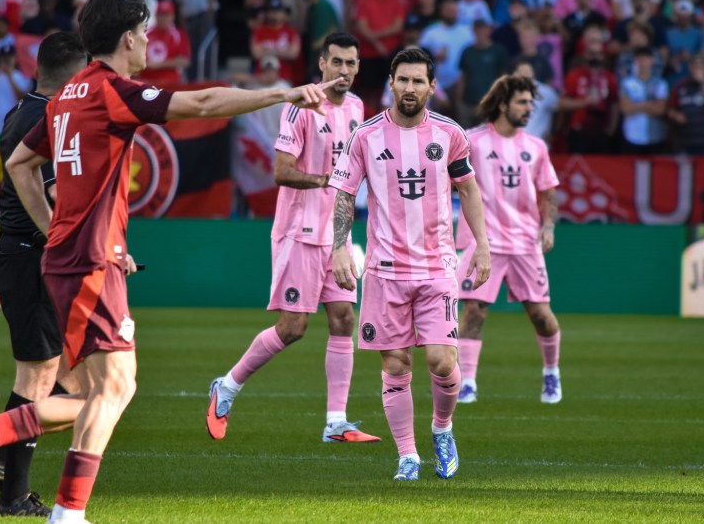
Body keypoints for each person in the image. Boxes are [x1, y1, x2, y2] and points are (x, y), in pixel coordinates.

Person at [0, 0, 337, 521]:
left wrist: (54, 230)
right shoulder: (107, 90)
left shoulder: (69, 93)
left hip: (73, 258)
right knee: (115, 388)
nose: (149, 41)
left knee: (95, 394)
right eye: (146, 32)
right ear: (128, 37)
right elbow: (200, 104)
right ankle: (54, 502)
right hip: (89, 262)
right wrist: (282, 93)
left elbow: (17, 163)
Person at [206, 32, 380, 445]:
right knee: (293, 327)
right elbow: (281, 171)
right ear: (321, 65)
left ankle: (335, 423)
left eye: (351, 63)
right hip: (299, 232)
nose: (343, 71)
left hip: (336, 235)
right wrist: (327, 179)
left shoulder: (358, 108)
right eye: (336, 62)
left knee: (343, 319)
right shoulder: (300, 106)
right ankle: (226, 386)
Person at [330, 47, 492, 481]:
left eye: (418, 80)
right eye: (403, 79)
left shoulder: (451, 134)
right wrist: (339, 247)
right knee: (396, 364)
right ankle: (407, 455)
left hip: (437, 267)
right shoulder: (365, 135)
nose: (409, 88)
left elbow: (469, 190)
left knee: (441, 361)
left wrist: (481, 245)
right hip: (384, 272)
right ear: (390, 82)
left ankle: (442, 429)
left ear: (432, 87)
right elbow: (344, 195)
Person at [0, 33, 89, 517]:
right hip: (31, 257)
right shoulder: (49, 119)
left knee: (56, 378)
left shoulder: (22, 109)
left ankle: (4, 463)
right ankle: (3, 473)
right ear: (76, 74)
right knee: (44, 378)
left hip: (21, 254)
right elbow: (56, 194)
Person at [454, 75, 561, 406]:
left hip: (525, 243)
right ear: (503, 104)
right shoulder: (472, 141)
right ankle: (467, 382)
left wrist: (548, 227)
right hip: (484, 243)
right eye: (522, 102)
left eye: (531, 102)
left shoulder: (536, 147)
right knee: (474, 311)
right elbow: (447, 183)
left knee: (541, 315)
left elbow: (548, 194)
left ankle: (551, 373)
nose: (529, 109)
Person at [668, 54, 704, 155]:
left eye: (700, 66)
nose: (697, 69)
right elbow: (670, 109)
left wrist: (702, 82)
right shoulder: (680, 85)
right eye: (694, 66)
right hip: (685, 142)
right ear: (689, 67)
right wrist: (675, 115)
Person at [619, 46, 670, 154]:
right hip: (631, 136)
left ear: (652, 60)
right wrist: (650, 104)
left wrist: (636, 105)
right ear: (635, 60)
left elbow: (660, 110)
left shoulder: (660, 84)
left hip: (655, 136)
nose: (643, 62)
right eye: (640, 58)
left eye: (646, 58)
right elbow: (625, 108)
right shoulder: (627, 84)